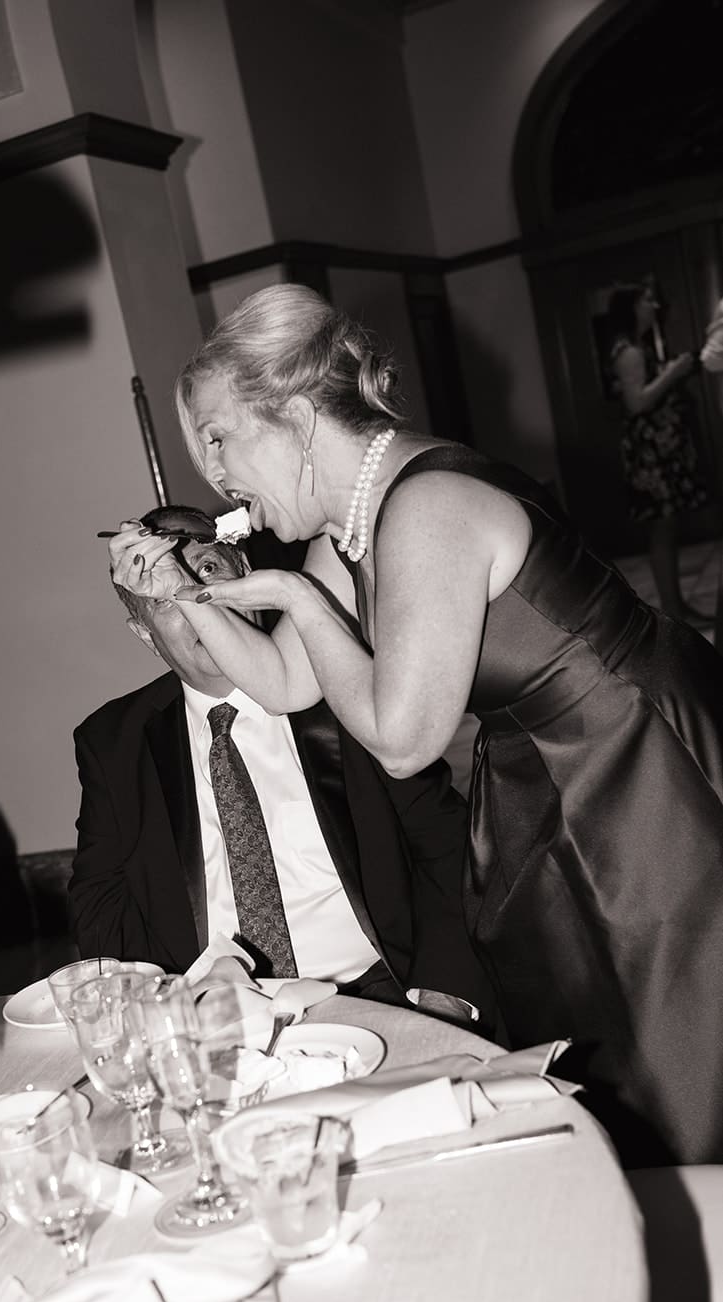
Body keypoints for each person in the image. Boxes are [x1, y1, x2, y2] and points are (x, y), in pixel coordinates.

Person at [109, 283, 723, 1167]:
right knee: (612, 1046)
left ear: (290, 413)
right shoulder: (351, 517)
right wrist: (184, 596)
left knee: (677, 1046)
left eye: (217, 435)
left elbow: (401, 741)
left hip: (632, 769)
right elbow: (285, 682)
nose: (212, 475)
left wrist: (289, 593)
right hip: (546, 771)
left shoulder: (426, 506)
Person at [72, 535, 497, 1034]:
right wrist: (165, 1011)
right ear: (144, 633)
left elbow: (444, 843)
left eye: (207, 570)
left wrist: (444, 994)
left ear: (247, 573)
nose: (196, 600)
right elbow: (100, 902)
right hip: (214, 1015)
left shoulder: (343, 688)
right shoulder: (115, 739)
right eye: (165, 598)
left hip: (381, 992)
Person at [607, 282, 709, 623]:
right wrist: (673, 374)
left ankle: (676, 604)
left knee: (668, 527)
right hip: (649, 453)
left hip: (657, 450)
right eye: (648, 300)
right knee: (662, 528)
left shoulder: (637, 346)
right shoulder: (629, 351)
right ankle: (673, 609)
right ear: (632, 308)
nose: (655, 305)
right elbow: (636, 404)